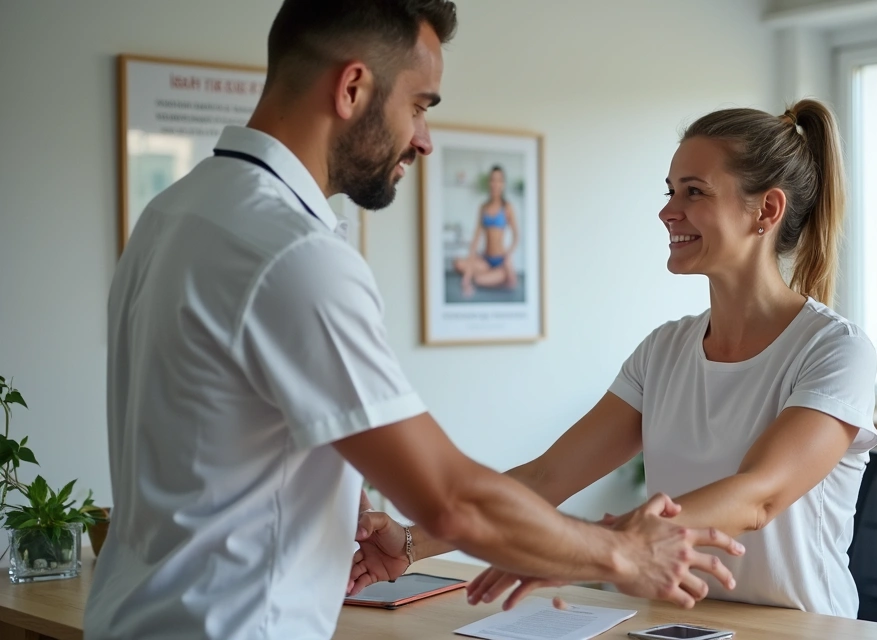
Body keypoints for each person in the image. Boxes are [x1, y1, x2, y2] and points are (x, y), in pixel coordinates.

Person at [84, 2, 741, 638]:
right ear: (352, 86)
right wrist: (621, 553)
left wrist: (332, 505)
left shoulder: (175, 213)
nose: (424, 140)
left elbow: (213, 444)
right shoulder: (294, 254)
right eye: (420, 105)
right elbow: (451, 499)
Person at [348, 98, 877, 617]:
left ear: (766, 209)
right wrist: (411, 543)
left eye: (694, 192)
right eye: (670, 190)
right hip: (675, 624)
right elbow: (546, 478)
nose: (668, 211)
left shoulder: (834, 350)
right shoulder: (664, 350)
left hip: (803, 629)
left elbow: (757, 498)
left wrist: (585, 549)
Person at [453, 165, 519, 297]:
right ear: (489, 182)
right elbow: (476, 238)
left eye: (499, 180)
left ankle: (500, 276)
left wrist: (508, 255)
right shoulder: (483, 207)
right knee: (458, 263)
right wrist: (469, 266)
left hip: (500, 261)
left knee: (478, 280)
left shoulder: (507, 207)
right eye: (492, 180)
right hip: (486, 260)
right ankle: (489, 276)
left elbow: (516, 235)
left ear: (503, 184)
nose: (495, 184)